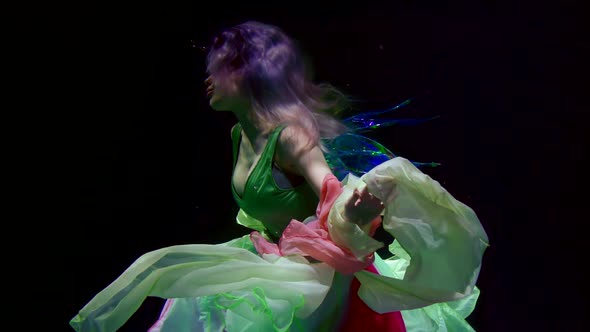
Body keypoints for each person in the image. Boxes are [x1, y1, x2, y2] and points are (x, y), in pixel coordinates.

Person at [70, 21, 489, 332]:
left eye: (218, 68)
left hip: (316, 278)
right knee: (187, 294)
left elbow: (329, 187)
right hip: (276, 260)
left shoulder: (290, 134)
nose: (208, 79)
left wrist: (354, 212)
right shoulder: (239, 134)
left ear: (248, 72)